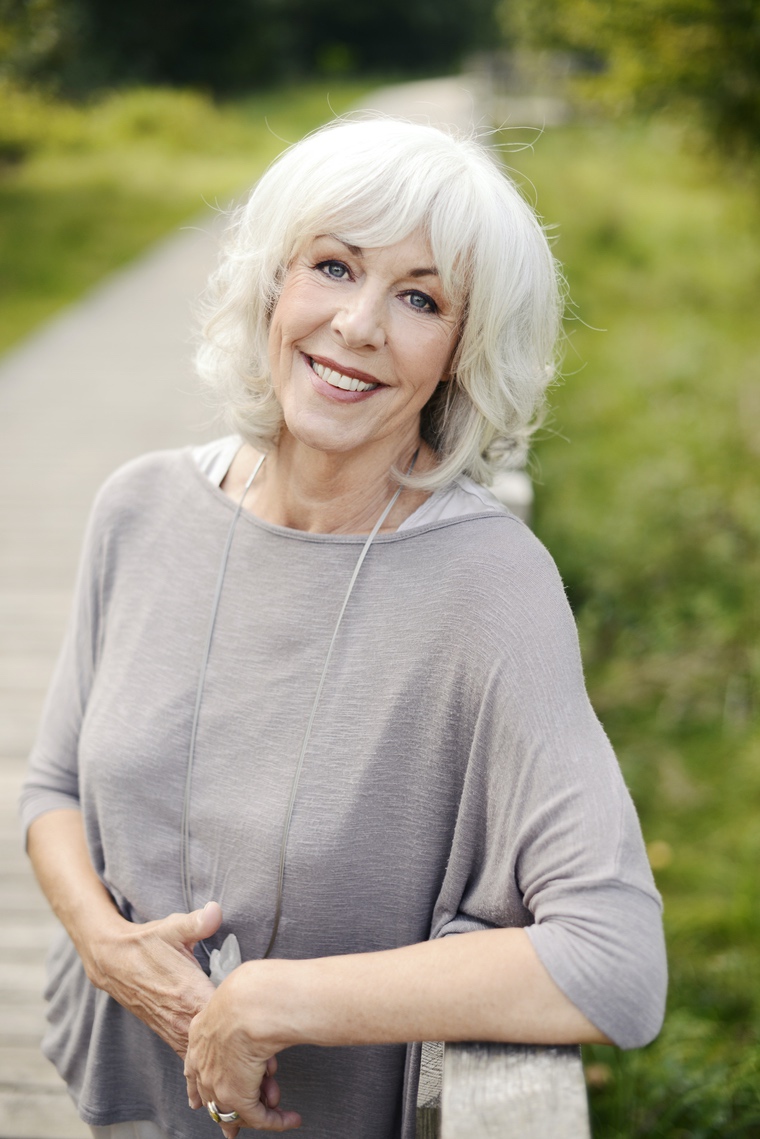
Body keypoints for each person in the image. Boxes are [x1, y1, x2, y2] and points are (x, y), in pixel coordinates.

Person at [20, 116, 667, 1139]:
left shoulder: (489, 581)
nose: (359, 323)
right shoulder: (137, 508)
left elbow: (614, 960)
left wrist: (273, 1000)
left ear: (463, 349)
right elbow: (51, 788)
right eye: (333, 266)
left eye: (419, 296)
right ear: (274, 283)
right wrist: (105, 945)